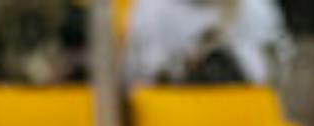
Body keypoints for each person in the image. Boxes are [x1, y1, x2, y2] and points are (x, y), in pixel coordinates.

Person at [123, 0, 292, 88]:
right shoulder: (153, 8)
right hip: (175, 124)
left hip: (242, 124)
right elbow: (138, 76)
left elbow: (275, 73)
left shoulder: (256, 7)